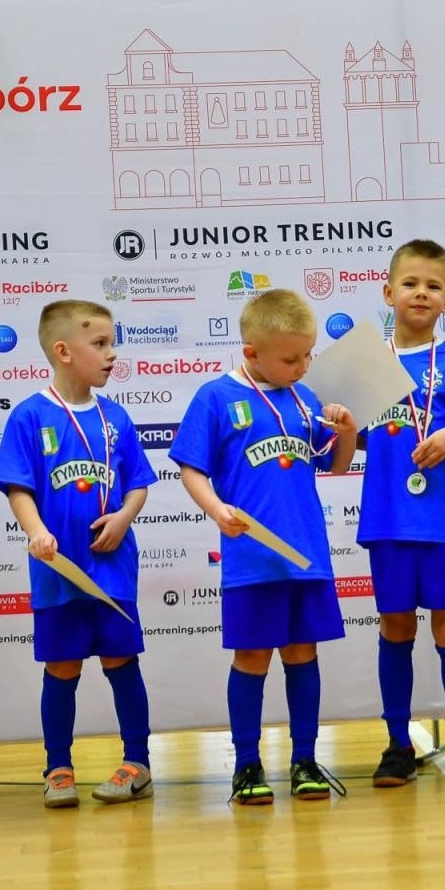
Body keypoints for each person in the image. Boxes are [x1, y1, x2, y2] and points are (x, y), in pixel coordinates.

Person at [169, 289, 360, 803]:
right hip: (252, 560)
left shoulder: (307, 399)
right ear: (251, 353)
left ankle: (305, 759)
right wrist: (216, 509)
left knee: (303, 653)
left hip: (307, 557)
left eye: (307, 356)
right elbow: (191, 468)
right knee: (252, 658)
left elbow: (336, 467)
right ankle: (248, 763)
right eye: (291, 358)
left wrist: (347, 431)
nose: (303, 366)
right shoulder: (214, 397)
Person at [0, 300, 158, 807]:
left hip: (112, 572)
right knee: (62, 667)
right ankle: (57, 767)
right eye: (100, 344)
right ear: (63, 351)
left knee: (121, 659)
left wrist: (125, 516)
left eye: (113, 344)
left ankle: (137, 761)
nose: (111, 355)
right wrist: (37, 532)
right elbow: (18, 488)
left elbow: (138, 486)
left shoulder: (116, 416)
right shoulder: (29, 415)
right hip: (59, 573)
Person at [358, 240, 445, 787]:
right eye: (410, 284)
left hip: (442, 520)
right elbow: (346, 438)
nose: (421, 293)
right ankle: (396, 744)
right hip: (388, 517)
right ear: (388, 292)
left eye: (433, 286)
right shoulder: (367, 362)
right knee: (395, 626)